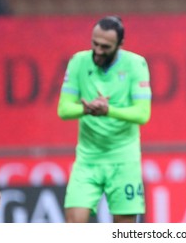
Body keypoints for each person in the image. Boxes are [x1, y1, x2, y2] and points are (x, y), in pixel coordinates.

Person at [57, 15, 152, 223]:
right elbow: (63, 109)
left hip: (123, 160)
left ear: (120, 45)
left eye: (105, 46)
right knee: (73, 227)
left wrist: (108, 110)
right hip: (87, 160)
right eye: (95, 44)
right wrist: (87, 109)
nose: (98, 50)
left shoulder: (136, 64)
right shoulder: (78, 62)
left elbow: (142, 114)